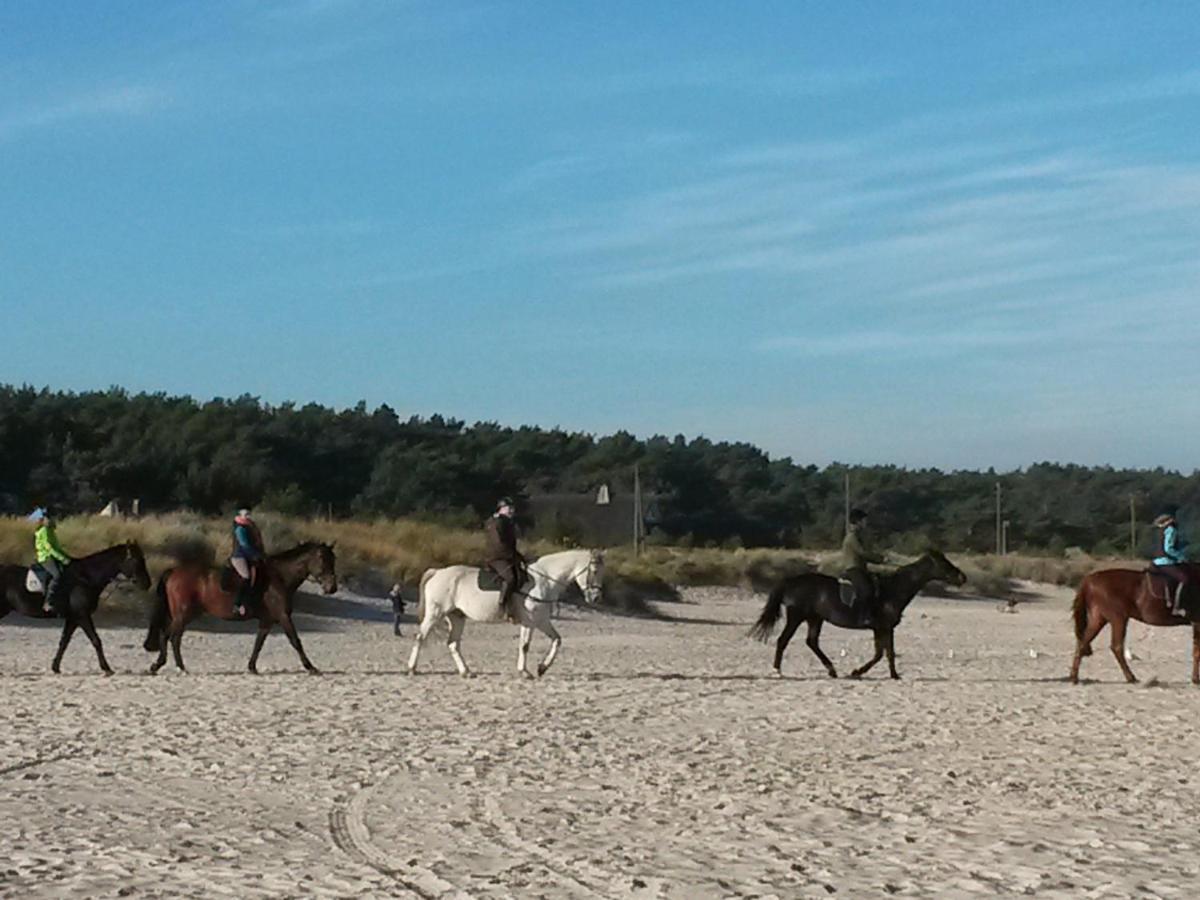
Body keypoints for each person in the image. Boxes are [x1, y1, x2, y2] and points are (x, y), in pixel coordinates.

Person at [484, 497, 525, 623]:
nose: (512, 510)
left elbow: (510, 544)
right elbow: (499, 544)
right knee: (510, 578)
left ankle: (517, 607)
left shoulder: (507, 522)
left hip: (506, 556)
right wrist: (513, 556)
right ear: (501, 509)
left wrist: (520, 557)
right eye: (509, 508)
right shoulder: (496, 523)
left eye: (513, 508)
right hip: (497, 557)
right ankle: (502, 605)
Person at [841, 508, 886, 611]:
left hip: (860, 569)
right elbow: (862, 553)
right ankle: (862, 615)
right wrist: (881, 559)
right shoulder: (852, 537)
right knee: (867, 591)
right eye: (864, 520)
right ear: (858, 522)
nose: (866, 523)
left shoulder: (857, 536)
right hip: (854, 569)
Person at [29, 508, 73, 614]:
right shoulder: (44, 530)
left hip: (52, 556)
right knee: (56, 575)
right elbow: (49, 548)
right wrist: (62, 559)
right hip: (45, 557)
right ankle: (48, 602)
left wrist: (67, 556)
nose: (53, 520)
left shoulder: (50, 530)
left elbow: (57, 547)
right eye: (51, 518)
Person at [1151, 506, 1192, 616]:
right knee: (1185, 579)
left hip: (1155, 561)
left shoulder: (1160, 529)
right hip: (1165, 561)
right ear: (1172, 517)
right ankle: (1177, 607)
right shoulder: (1171, 529)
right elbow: (1168, 549)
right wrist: (1182, 557)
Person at [231, 507, 266, 617]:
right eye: (246, 515)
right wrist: (255, 554)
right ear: (240, 516)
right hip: (239, 556)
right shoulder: (240, 529)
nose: (248, 517)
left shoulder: (250, 527)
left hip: (249, 556)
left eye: (249, 514)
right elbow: (244, 545)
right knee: (246, 576)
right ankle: (237, 604)